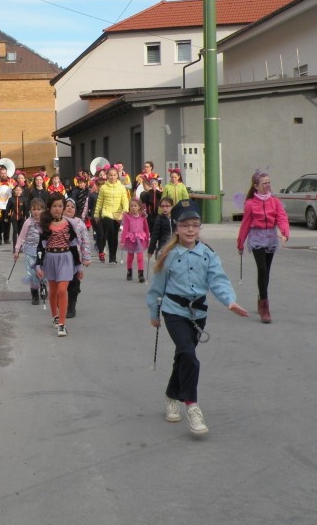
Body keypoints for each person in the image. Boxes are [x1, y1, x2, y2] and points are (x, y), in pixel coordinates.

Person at [147, 200, 248, 435]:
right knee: (189, 356)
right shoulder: (168, 254)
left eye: (195, 225)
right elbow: (157, 288)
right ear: (176, 227)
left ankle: (172, 396)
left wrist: (229, 301)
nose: (190, 230)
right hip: (173, 312)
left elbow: (219, 281)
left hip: (198, 314)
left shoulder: (208, 254)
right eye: (185, 225)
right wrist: (154, 312)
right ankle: (192, 407)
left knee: (183, 357)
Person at [236, 169, 289, 324]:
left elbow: (282, 217)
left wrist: (285, 233)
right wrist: (240, 243)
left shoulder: (275, 201)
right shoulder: (251, 204)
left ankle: (261, 297)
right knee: (262, 269)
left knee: (267, 270)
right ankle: (265, 306)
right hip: (257, 237)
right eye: (264, 183)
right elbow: (245, 224)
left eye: (269, 182)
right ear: (256, 186)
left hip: (271, 237)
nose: (268, 185)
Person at [36, 193, 83, 337]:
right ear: (49, 208)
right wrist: (38, 265)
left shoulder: (69, 225)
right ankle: (54, 315)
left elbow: (74, 246)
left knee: (63, 290)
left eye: (60, 206)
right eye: (55, 206)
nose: (57, 209)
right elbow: (40, 247)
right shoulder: (45, 226)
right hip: (50, 258)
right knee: (54, 291)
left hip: (66, 258)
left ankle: (62, 325)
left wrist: (79, 266)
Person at [94, 166, 129, 264]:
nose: (112, 177)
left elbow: (124, 200)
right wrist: (97, 214)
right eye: (110, 175)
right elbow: (99, 202)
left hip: (118, 213)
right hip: (107, 213)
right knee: (111, 232)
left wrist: (126, 210)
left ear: (117, 176)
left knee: (115, 235)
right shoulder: (104, 188)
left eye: (114, 175)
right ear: (107, 176)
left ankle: (113, 256)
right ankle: (111, 257)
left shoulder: (121, 188)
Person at [14, 198, 46, 304]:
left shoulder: (46, 222)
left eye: (39, 209)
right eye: (34, 209)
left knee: (42, 272)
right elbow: (22, 237)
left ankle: (43, 286)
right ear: (31, 211)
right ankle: (34, 294)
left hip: (43, 252)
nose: (36, 211)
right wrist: (17, 250)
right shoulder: (28, 222)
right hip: (30, 252)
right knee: (32, 274)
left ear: (43, 210)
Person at [62, 197, 90, 317]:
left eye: (72, 207)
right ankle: (61, 301)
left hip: (74, 257)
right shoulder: (57, 221)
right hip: (60, 256)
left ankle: (72, 304)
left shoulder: (79, 223)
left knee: (74, 281)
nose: (69, 208)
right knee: (61, 281)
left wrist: (86, 257)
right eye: (67, 206)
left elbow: (85, 241)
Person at [120, 198, 150, 282]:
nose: (133, 207)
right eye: (131, 206)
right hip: (131, 238)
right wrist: (122, 241)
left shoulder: (143, 217)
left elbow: (146, 229)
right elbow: (125, 229)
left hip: (140, 238)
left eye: (135, 206)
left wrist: (148, 238)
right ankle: (129, 271)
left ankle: (141, 274)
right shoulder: (128, 217)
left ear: (139, 207)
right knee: (130, 257)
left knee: (140, 257)